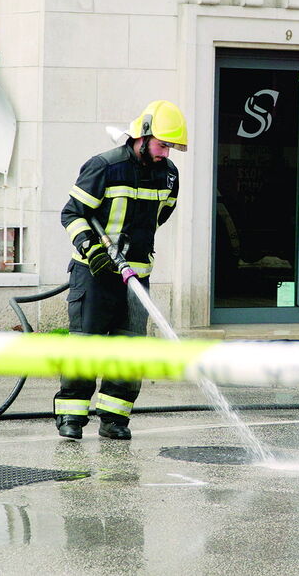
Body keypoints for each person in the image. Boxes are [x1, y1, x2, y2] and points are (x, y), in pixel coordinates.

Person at [54, 100, 186, 440]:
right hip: (94, 274)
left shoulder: (168, 174)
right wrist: (91, 248)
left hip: (136, 276)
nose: (165, 152)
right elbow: (71, 213)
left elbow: (162, 214)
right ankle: (71, 417)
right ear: (142, 136)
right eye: (161, 144)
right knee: (85, 347)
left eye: (170, 146)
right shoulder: (104, 166)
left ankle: (114, 420)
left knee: (129, 352)